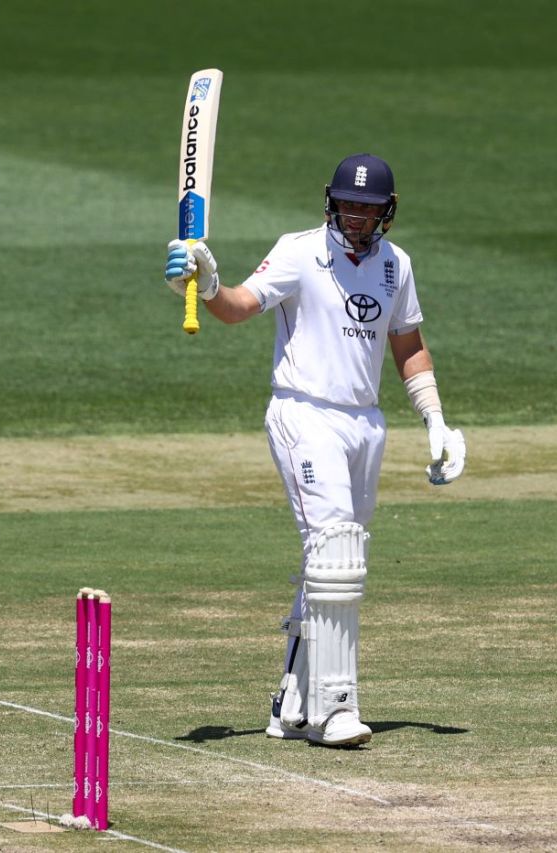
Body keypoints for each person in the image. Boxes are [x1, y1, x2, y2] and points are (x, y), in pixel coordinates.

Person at [163, 153, 466, 747]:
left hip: (365, 423)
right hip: (304, 412)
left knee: (336, 558)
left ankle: (292, 701)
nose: (356, 216)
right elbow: (240, 307)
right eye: (348, 205)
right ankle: (335, 709)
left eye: (368, 208)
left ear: (387, 212)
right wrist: (206, 284)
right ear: (331, 202)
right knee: (334, 549)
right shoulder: (301, 250)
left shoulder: (395, 266)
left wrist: (435, 421)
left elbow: (409, 345)